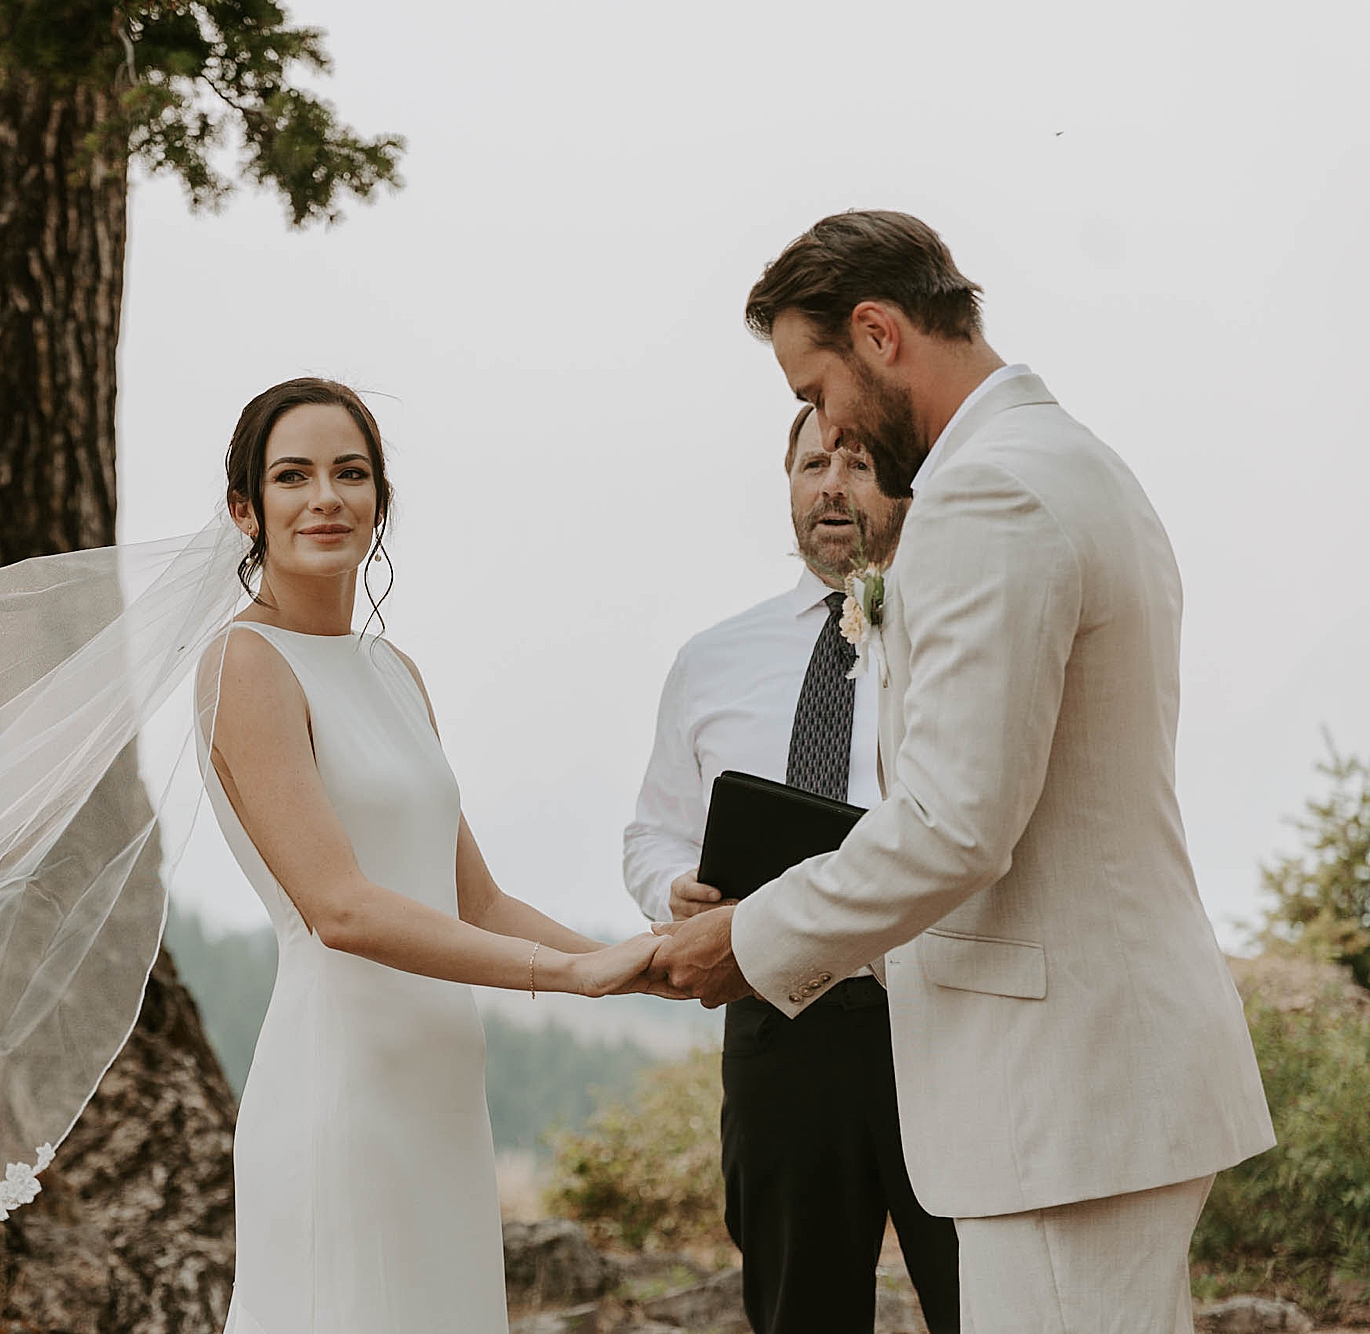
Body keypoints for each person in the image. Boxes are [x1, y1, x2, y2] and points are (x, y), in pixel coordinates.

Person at [648, 210, 1275, 1333]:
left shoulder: (983, 497)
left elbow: (950, 823)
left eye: (814, 386)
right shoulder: (1072, 460)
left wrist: (744, 937)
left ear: (878, 333)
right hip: (1096, 1081)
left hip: (1058, 1100)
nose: (821, 421)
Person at [198, 377, 672, 1334]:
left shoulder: (392, 670)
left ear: (379, 499)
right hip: (342, 1080)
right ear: (247, 509)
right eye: (293, 476)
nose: (325, 497)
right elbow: (342, 909)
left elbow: (479, 903)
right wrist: (573, 977)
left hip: (442, 1086)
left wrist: (643, 966)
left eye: (351, 473)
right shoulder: (243, 664)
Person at [624, 404, 957, 1333]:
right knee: (795, 1312)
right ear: (789, 484)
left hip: (941, 1016)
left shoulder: (955, 637)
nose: (833, 486)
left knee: (983, 1298)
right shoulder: (711, 660)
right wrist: (672, 891)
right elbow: (649, 834)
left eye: (857, 463)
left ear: (903, 479)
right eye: (814, 465)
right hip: (778, 1027)